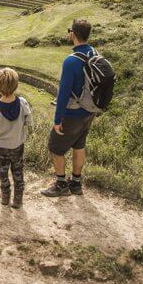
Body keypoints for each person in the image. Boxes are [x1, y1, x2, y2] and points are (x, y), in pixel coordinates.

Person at [42, 19, 96, 197]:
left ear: (72, 33)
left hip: (73, 113)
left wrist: (57, 120)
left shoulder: (71, 61)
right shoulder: (94, 54)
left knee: (55, 147)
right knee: (79, 146)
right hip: (89, 111)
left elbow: (63, 94)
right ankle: (76, 183)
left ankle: (61, 185)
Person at [0, 67, 33, 208]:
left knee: (2, 171)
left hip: (1, 146)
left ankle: (5, 196)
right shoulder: (23, 102)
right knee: (18, 171)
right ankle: (18, 199)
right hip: (17, 144)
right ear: (16, 85)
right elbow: (29, 122)